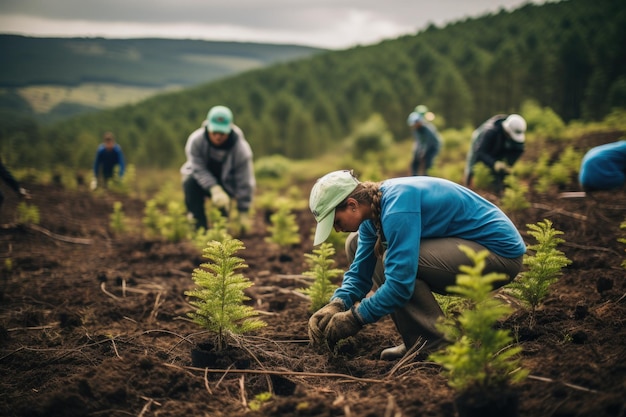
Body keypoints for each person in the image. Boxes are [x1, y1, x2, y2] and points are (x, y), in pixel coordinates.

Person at [307, 170, 526, 360]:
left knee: (396, 263)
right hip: (465, 248)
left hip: (498, 254)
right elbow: (360, 271)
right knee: (356, 245)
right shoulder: (372, 214)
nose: (336, 229)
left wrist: (356, 318)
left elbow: (400, 284)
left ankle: (436, 346)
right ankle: (419, 341)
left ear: (352, 205)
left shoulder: (397, 206)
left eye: (336, 221)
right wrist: (337, 303)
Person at [180, 105, 255, 233]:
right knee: (189, 182)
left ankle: (220, 234)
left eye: (222, 133)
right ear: (208, 127)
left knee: (222, 220)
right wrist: (214, 188)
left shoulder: (241, 149)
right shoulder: (196, 141)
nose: (217, 137)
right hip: (200, 181)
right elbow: (197, 168)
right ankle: (199, 229)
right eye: (214, 132)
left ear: (229, 129)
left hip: (227, 184)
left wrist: (243, 211)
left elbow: (245, 180)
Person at [464, 114, 526, 194]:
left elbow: (518, 150)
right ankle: (468, 185)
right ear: (506, 130)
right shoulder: (491, 131)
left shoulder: (516, 134)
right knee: (473, 161)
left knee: (500, 171)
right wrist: (494, 163)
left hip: (498, 146)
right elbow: (480, 152)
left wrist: (509, 164)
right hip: (480, 142)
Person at [407, 110, 442, 176]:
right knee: (415, 161)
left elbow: (429, 142)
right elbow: (418, 142)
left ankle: (428, 176)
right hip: (424, 147)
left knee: (428, 163)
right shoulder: (416, 130)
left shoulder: (427, 129)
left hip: (433, 147)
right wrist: (417, 153)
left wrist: (423, 153)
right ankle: (414, 177)